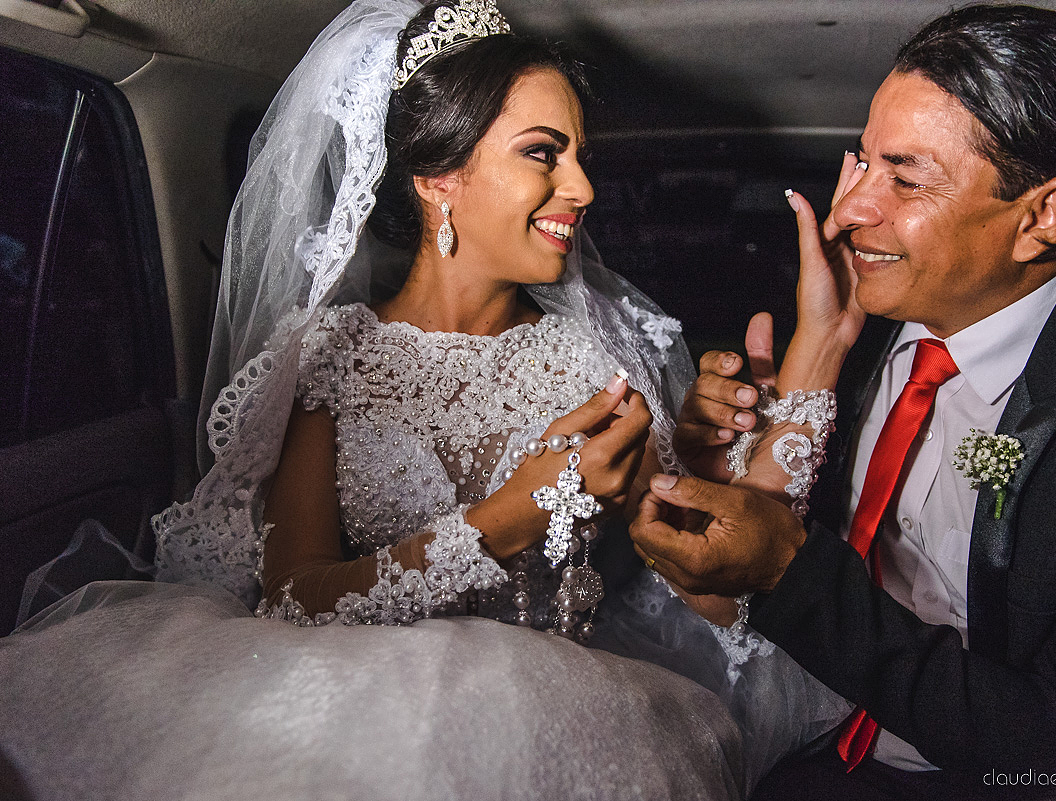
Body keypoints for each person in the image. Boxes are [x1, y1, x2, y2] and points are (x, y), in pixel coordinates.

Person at [1, 1, 847, 798]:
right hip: (331, 705)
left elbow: (708, 595)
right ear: (439, 177)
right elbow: (291, 598)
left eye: (581, 157)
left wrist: (708, 469)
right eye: (545, 153)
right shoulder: (329, 357)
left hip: (553, 713)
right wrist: (517, 511)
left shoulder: (601, 361)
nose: (584, 188)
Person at [632, 5, 1056, 798]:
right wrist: (760, 451)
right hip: (795, 744)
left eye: (905, 177)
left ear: (1042, 214)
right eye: (860, 161)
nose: (853, 207)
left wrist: (792, 572)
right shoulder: (843, 319)